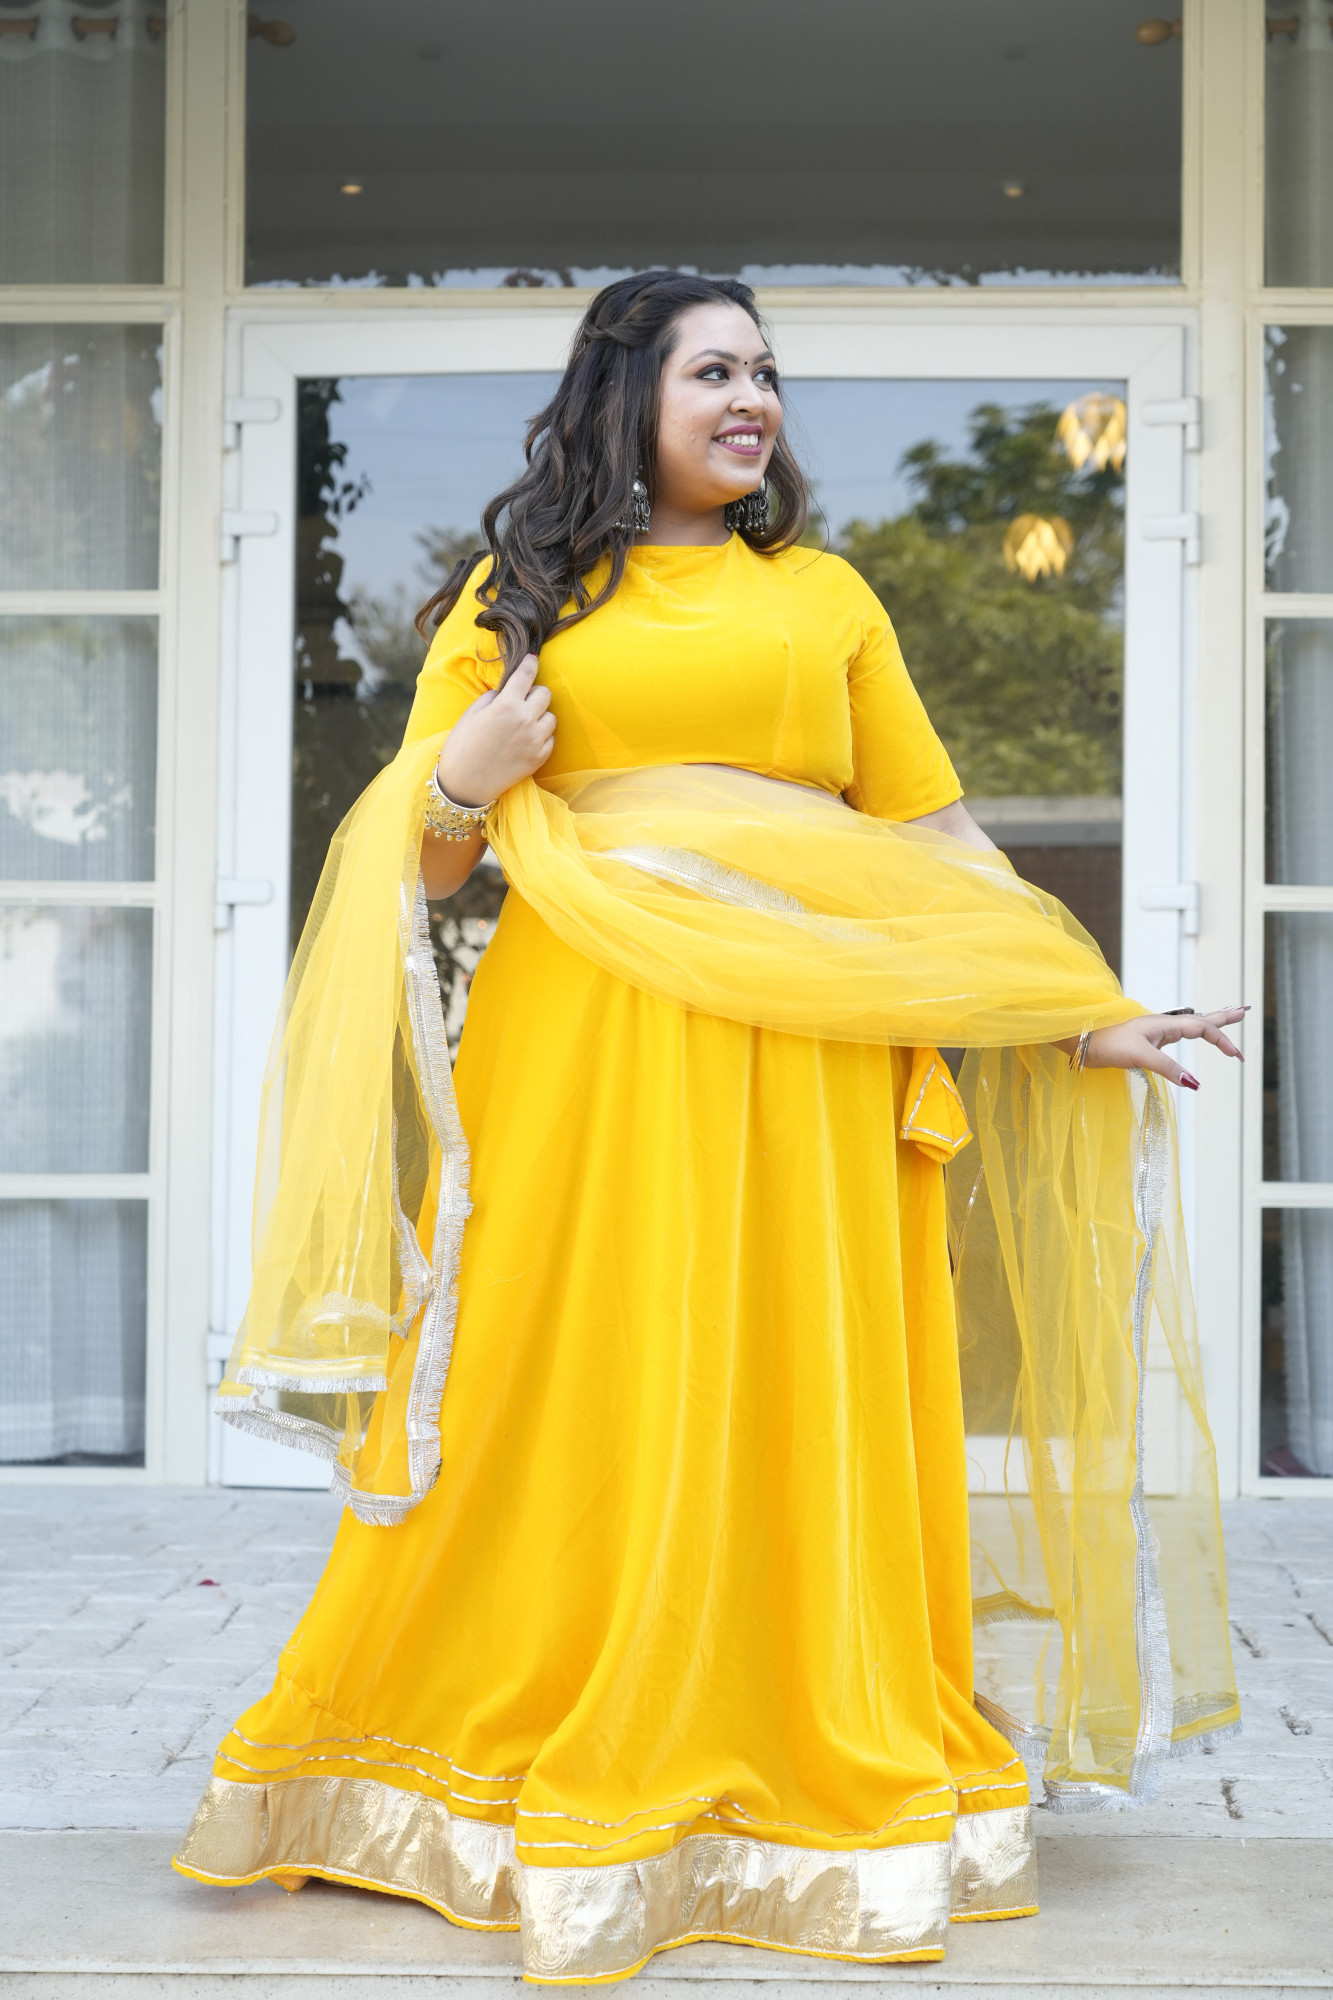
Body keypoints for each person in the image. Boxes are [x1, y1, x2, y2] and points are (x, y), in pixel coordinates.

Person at [175, 273, 1242, 1983]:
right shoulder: (519, 595)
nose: (751, 399)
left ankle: (792, 1749)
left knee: (794, 1379)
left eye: (766, 373)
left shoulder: (825, 599)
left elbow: (937, 837)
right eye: (714, 370)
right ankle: (468, 1762)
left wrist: (1074, 1004)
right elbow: (427, 863)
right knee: (565, 1376)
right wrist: (469, 770)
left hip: (812, 1052)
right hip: (586, 1046)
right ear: (627, 392)